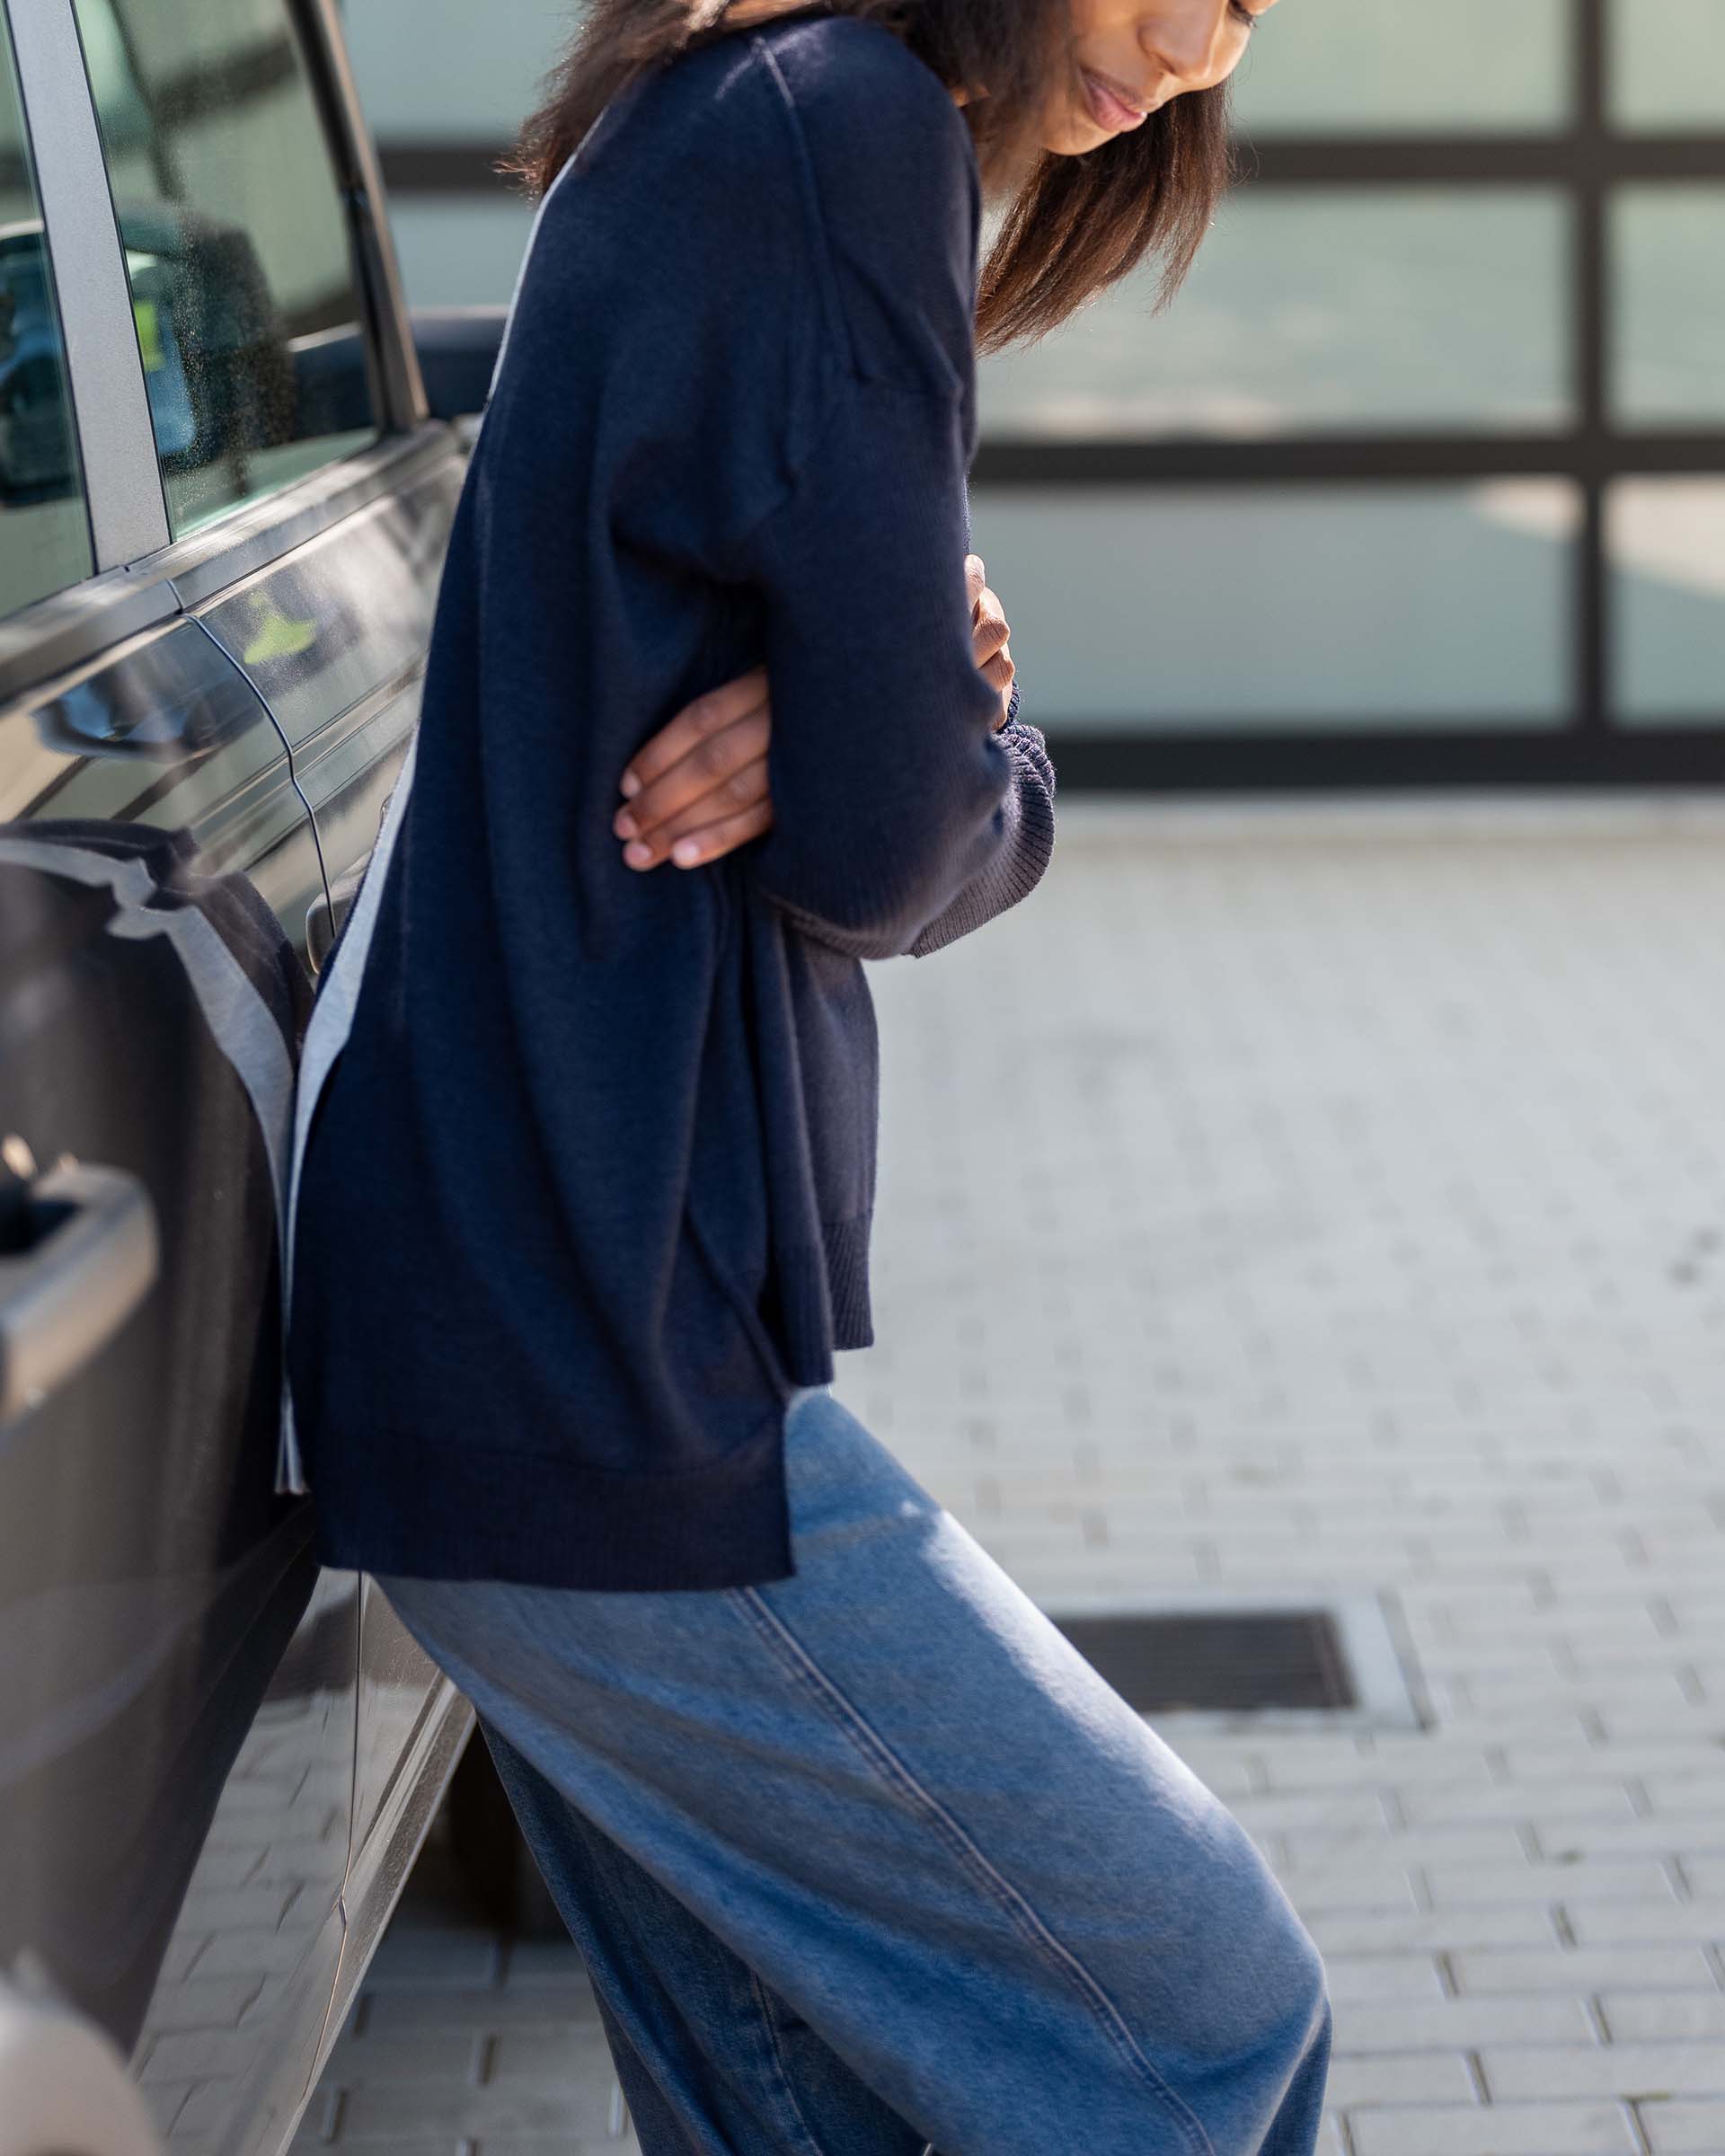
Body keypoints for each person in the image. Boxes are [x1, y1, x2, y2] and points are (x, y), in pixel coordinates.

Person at [285, 0, 1331, 2148]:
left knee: (799, 2107)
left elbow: (841, 739)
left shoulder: (737, 91)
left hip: (500, 1337)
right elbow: (886, 831)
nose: (1198, 47)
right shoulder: (849, 126)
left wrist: (886, 702)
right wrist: (968, 739)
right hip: (585, 1358)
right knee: (1214, 2003)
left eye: (1256, 9)